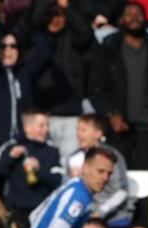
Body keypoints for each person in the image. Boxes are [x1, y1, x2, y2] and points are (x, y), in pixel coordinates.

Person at [88, 2, 148, 169]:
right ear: (122, 19)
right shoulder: (108, 50)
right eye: (129, 14)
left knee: (147, 181)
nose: (134, 19)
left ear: (145, 18)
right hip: (118, 129)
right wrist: (111, 114)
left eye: (138, 14)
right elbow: (96, 89)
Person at [27, 0, 96, 163]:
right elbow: (32, 21)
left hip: (71, 114)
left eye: (59, 16)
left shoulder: (73, 39)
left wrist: (67, 7)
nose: (55, 20)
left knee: (70, 162)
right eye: (50, 16)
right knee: (43, 163)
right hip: (43, 113)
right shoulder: (37, 39)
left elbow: (85, 32)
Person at [0, 109, 64, 228]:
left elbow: (58, 180)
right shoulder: (11, 146)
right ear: (27, 128)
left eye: (47, 125)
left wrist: (39, 172)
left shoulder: (52, 151)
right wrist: (10, 157)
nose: (46, 130)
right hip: (16, 212)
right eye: (41, 125)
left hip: (42, 212)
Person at [67, 114, 130, 221]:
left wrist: (100, 212)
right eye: (78, 130)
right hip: (79, 214)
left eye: (83, 130)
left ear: (98, 133)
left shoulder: (111, 156)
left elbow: (121, 191)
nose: (79, 134)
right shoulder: (73, 157)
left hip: (111, 216)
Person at [0, 31, 34, 153]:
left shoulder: (23, 74)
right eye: (3, 46)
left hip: (19, 142)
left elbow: (44, 54)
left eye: (13, 46)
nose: (8, 50)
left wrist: (25, 26)